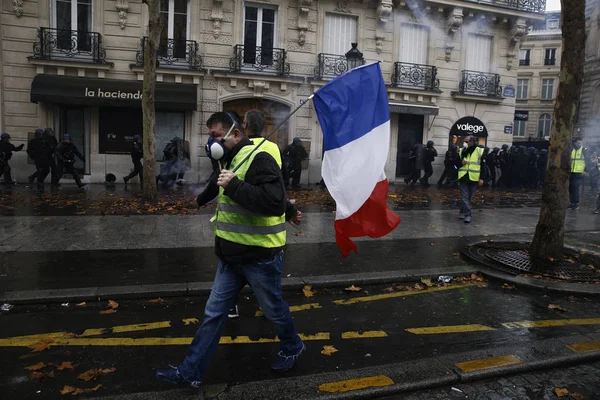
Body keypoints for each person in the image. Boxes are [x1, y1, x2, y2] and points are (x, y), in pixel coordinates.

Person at [157, 112, 305, 391]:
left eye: (215, 135)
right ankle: (191, 372)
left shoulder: (260, 157)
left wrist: (237, 187)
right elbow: (219, 179)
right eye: (210, 135)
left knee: (273, 311)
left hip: (260, 257)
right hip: (230, 257)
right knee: (213, 315)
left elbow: (274, 199)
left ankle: (293, 346)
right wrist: (201, 199)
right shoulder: (231, 158)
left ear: (235, 134)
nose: (210, 141)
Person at [457, 135, 487, 223]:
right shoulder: (461, 151)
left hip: (474, 178)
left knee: (469, 197)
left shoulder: (479, 151)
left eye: (467, 142)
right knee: (464, 197)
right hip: (463, 177)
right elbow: (455, 164)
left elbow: (483, 166)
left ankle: (462, 212)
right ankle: (468, 215)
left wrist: (482, 178)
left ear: (472, 142)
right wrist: (460, 163)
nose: (465, 143)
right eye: (464, 142)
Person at [569, 138, 588, 211]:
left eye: (580, 143)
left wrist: (586, 171)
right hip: (572, 172)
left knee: (575, 188)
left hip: (580, 173)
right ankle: (572, 202)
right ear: (575, 143)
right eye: (578, 143)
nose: (580, 144)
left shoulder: (584, 150)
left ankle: (576, 203)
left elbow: (588, 161)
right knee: (571, 188)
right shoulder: (572, 150)